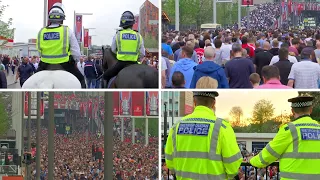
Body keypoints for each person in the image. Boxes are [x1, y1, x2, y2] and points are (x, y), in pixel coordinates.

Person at [165, 92, 242, 180]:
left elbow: (169, 160)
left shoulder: (176, 126)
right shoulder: (222, 127)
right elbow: (233, 165)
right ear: (213, 103)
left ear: (194, 102)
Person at [249, 96, 320, 179]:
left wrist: (252, 160)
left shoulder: (289, 129)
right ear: (311, 110)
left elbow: (269, 154)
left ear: (292, 111)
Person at [36, 2, 85, 88]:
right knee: (81, 80)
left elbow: (39, 50)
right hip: (65, 65)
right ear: (62, 18)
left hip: (44, 65)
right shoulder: (67, 30)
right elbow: (76, 53)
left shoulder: (41, 31)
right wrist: (75, 60)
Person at [104, 11, 145, 84]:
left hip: (121, 63)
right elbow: (142, 53)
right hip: (134, 63)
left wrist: (119, 54)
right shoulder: (138, 35)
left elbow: (113, 49)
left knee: (106, 76)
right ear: (132, 24)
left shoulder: (118, 34)